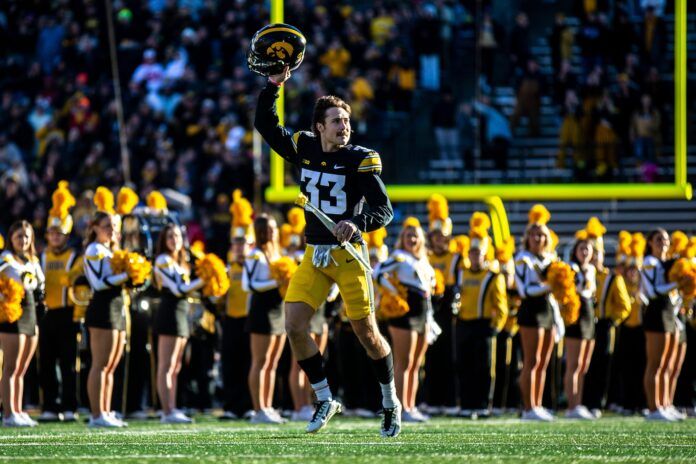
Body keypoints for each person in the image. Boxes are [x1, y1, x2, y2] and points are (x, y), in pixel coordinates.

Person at [254, 65, 399, 437]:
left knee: (366, 333)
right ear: (319, 126)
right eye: (336, 120)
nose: (344, 126)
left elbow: (384, 209)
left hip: (349, 255)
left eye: (346, 120)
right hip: (315, 254)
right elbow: (266, 125)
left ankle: (390, 401)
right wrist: (273, 86)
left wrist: (358, 222)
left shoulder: (359, 159)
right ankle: (324, 398)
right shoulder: (303, 147)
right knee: (295, 326)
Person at [375, 219, 435, 422]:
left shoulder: (424, 260)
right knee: (404, 362)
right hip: (405, 313)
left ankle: (411, 405)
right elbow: (378, 272)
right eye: (408, 235)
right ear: (402, 238)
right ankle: (400, 407)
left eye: (415, 235)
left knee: (416, 364)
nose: (412, 239)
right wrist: (394, 294)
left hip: (424, 312)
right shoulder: (399, 257)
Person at [455, 213, 508, 418]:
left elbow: (501, 305)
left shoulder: (493, 276)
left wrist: (496, 326)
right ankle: (467, 405)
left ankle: (483, 405)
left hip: (484, 325)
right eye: (472, 252)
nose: (474, 256)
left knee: (484, 368)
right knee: (464, 366)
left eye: (478, 253)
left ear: (485, 255)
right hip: (464, 325)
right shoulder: (462, 273)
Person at [82, 208, 130, 428]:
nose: (112, 230)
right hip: (102, 308)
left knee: (111, 365)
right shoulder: (94, 249)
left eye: (114, 226)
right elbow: (99, 282)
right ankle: (96, 415)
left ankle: (106, 410)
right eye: (107, 226)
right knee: (100, 364)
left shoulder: (112, 249)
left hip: (116, 306)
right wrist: (126, 276)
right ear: (94, 228)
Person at [38, 182, 81, 422]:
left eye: (59, 234)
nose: (55, 237)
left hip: (68, 314)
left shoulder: (75, 256)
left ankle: (69, 406)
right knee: (45, 363)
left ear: (66, 235)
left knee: (68, 364)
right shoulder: (40, 256)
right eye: (52, 234)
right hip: (46, 314)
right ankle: (49, 407)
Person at [153, 224, 200, 424]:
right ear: (163, 240)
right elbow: (179, 288)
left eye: (177, 236)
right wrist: (205, 280)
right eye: (170, 236)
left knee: (176, 365)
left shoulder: (181, 261)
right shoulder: (163, 260)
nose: (174, 240)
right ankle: (167, 410)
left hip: (181, 312)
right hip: (169, 311)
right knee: (166, 365)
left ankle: (172, 407)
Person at [242, 214, 287, 425]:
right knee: (260, 361)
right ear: (259, 232)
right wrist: (275, 282)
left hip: (278, 309)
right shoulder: (255, 255)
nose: (271, 232)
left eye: (273, 228)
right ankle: (258, 409)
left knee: (272, 363)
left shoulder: (277, 254)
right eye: (267, 229)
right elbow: (248, 285)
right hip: (262, 310)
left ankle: (267, 407)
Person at [514, 205, 557, 421]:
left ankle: (537, 404)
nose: (538, 238)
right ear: (527, 238)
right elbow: (525, 290)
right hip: (531, 311)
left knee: (543, 362)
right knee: (531, 360)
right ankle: (528, 407)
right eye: (533, 235)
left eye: (541, 235)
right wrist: (551, 286)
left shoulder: (551, 259)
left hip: (547, 311)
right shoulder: (523, 259)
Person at [0, 221, 44, 427]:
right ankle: (8, 413)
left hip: (30, 311)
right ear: (11, 238)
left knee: (22, 367)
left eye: (27, 236)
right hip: (13, 313)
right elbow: (23, 281)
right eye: (19, 236)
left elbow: (39, 285)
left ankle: (18, 409)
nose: (23, 240)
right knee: (10, 366)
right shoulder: (6, 259)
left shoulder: (32, 260)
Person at [641, 228, 679, 421]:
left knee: (666, 364)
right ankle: (653, 407)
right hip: (656, 311)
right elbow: (655, 291)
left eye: (665, 239)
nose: (663, 242)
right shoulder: (649, 262)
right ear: (650, 243)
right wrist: (678, 283)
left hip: (669, 311)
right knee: (655, 363)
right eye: (658, 239)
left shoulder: (666, 263)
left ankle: (664, 404)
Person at [563, 233, 597, 420]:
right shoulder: (572, 268)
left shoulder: (591, 269)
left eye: (588, 248)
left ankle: (579, 403)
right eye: (581, 248)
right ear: (575, 251)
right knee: (573, 364)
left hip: (589, 314)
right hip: (576, 315)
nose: (585, 252)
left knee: (583, 365)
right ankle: (571, 405)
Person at [220, 236, 252, 420]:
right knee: (230, 364)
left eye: (243, 244)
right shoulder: (227, 269)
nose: (239, 248)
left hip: (249, 321)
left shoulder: (254, 266)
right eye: (236, 244)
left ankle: (247, 405)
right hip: (231, 320)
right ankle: (230, 407)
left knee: (248, 363)